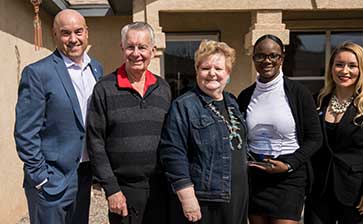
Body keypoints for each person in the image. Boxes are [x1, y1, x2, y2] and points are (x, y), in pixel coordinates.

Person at [14, 9, 103, 224]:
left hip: (83, 175)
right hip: (51, 179)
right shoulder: (37, 73)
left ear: (87, 33)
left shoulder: (96, 69)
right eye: (65, 33)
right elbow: (25, 133)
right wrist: (40, 177)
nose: (73, 39)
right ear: (55, 35)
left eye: (78, 32)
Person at [86, 22, 171, 224]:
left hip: (160, 188)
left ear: (153, 50)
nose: (136, 53)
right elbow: (95, 142)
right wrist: (112, 189)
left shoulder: (163, 88)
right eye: (130, 47)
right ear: (122, 48)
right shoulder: (105, 88)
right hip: (123, 190)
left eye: (142, 47)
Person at [159, 40, 248, 224]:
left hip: (237, 196)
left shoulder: (232, 102)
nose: (212, 73)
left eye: (218, 68)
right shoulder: (184, 105)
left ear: (228, 73)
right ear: (197, 71)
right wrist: (187, 197)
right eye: (205, 68)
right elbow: (173, 152)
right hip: (206, 200)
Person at [237, 34, 322, 224]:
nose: (267, 61)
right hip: (256, 176)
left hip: (289, 177)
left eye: (273, 56)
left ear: (281, 58)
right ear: (253, 58)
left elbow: (315, 138)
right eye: (260, 56)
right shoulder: (245, 96)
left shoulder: (299, 93)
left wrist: (290, 164)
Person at [304, 42, 363, 224]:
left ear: (362, 69)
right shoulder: (318, 100)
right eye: (339, 64)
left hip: (356, 192)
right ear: (331, 68)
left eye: (352, 65)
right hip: (319, 191)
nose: (345, 71)